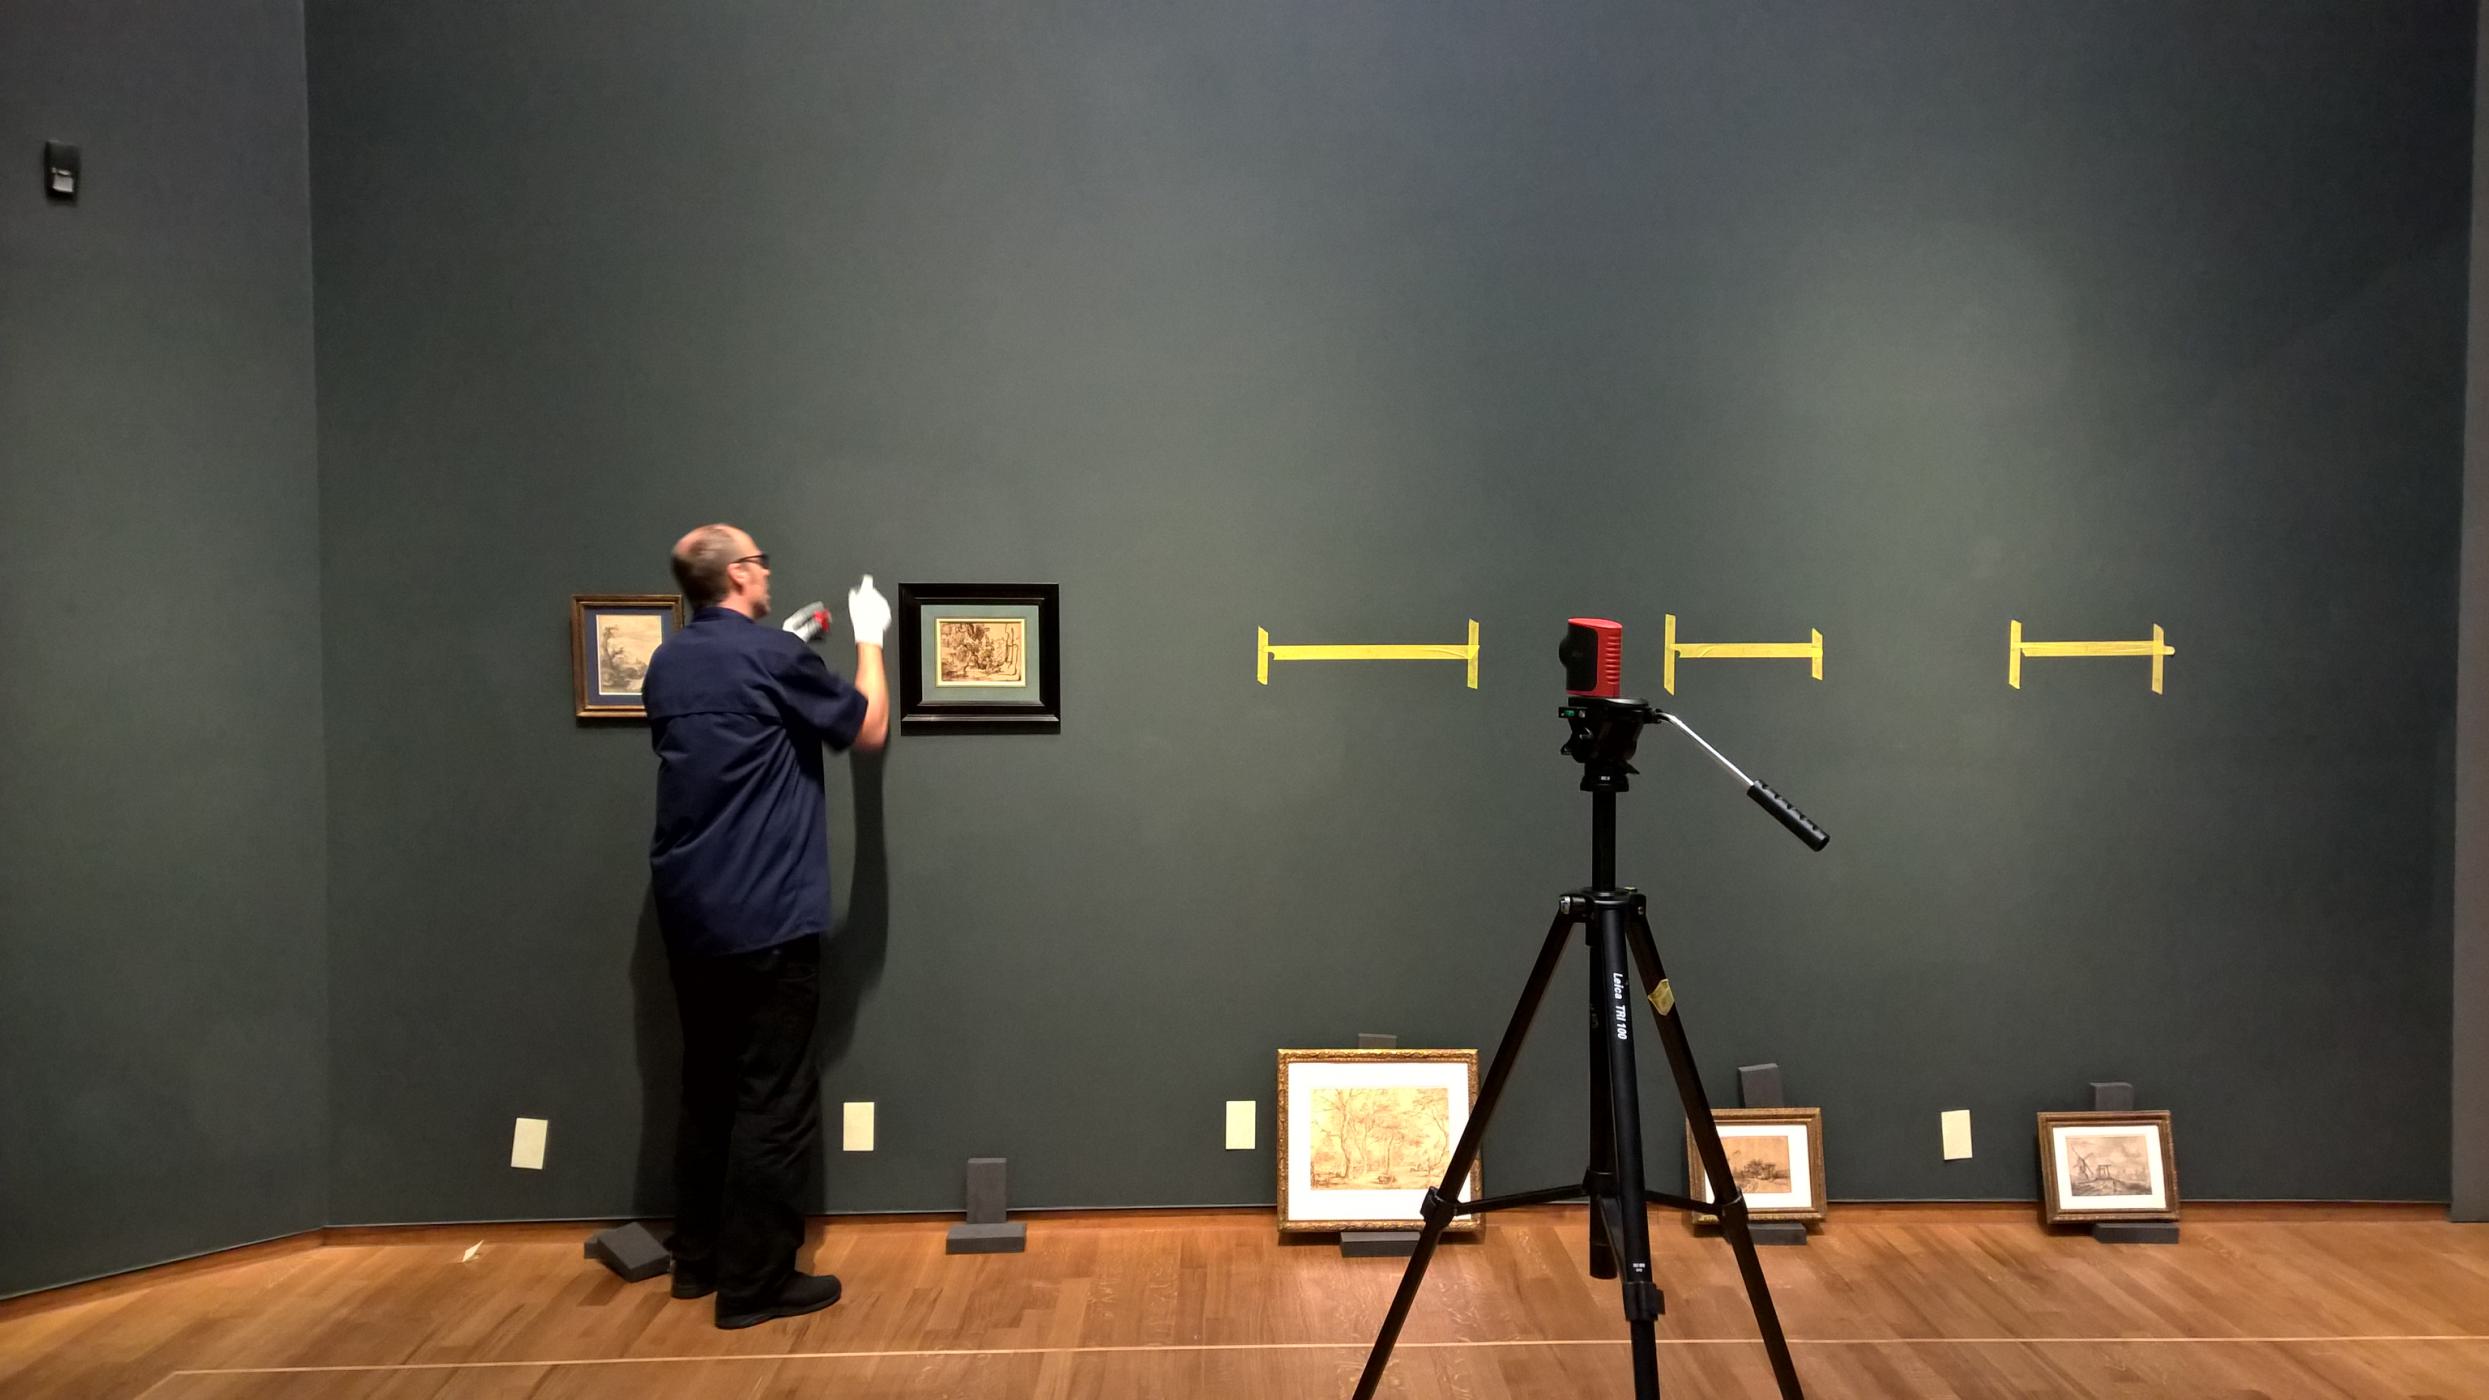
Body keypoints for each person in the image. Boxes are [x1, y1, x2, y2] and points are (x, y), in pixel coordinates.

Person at [641, 523, 889, 1329]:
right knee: (772, 1101)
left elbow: (734, 732)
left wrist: (784, 647)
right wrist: (870, 640)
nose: (769, 572)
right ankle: (755, 1286)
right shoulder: (773, 656)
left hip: (690, 914)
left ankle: (697, 1263)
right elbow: (867, 728)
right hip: (768, 914)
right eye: (762, 561)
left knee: (705, 1089)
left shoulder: (669, 662)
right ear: (740, 574)